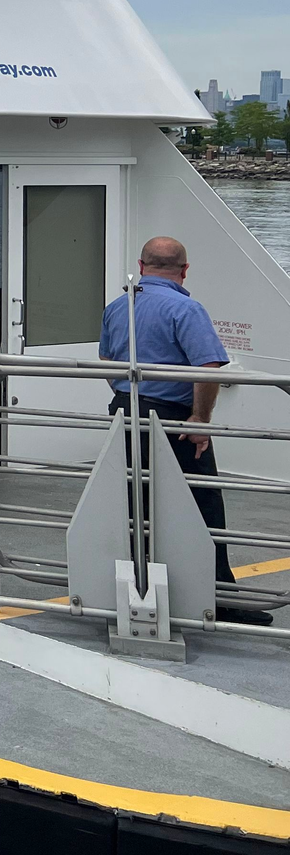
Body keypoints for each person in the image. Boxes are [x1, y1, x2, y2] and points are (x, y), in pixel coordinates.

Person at [99, 236, 269, 625]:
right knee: (202, 506)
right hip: (172, 420)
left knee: (135, 504)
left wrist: (126, 396)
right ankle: (218, 598)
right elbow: (208, 368)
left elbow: (106, 360)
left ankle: (137, 589)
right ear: (185, 270)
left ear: (141, 266)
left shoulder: (118, 307)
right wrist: (199, 421)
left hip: (124, 413)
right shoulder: (186, 309)